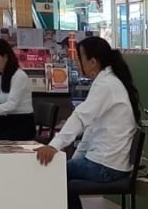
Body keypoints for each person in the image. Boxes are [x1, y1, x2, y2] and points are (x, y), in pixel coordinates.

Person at [34, 37, 141, 188]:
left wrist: (54, 146)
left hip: (106, 166)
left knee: (51, 173)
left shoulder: (106, 85)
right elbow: (89, 128)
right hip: (106, 163)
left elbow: (80, 117)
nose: (77, 64)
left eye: (80, 59)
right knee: (62, 177)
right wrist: (75, 159)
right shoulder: (107, 82)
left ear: (93, 62)